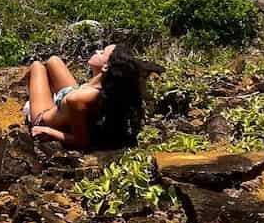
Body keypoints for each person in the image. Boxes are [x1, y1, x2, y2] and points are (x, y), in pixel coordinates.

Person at [24, 43, 162, 150]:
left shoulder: (79, 99)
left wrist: (49, 131)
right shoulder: (106, 87)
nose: (97, 51)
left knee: (37, 66)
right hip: (67, 97)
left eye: (102, 52)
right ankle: (49, 96)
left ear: (106, 67)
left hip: (45, 117)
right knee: (54, 60)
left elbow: (81, 141)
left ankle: (31, 107)